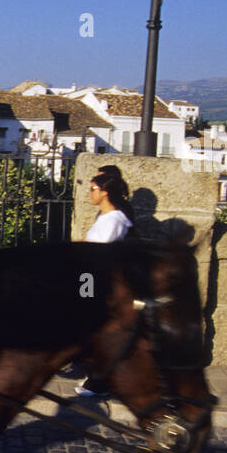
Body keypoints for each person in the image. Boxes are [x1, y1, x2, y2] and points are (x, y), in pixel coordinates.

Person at [75, 164, 135, 397]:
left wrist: (84, 289)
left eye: (93, 189)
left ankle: (99, 380)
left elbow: (97, 257)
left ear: (105, 192)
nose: (90, 193)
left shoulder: (114, 220)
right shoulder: (108, 217)